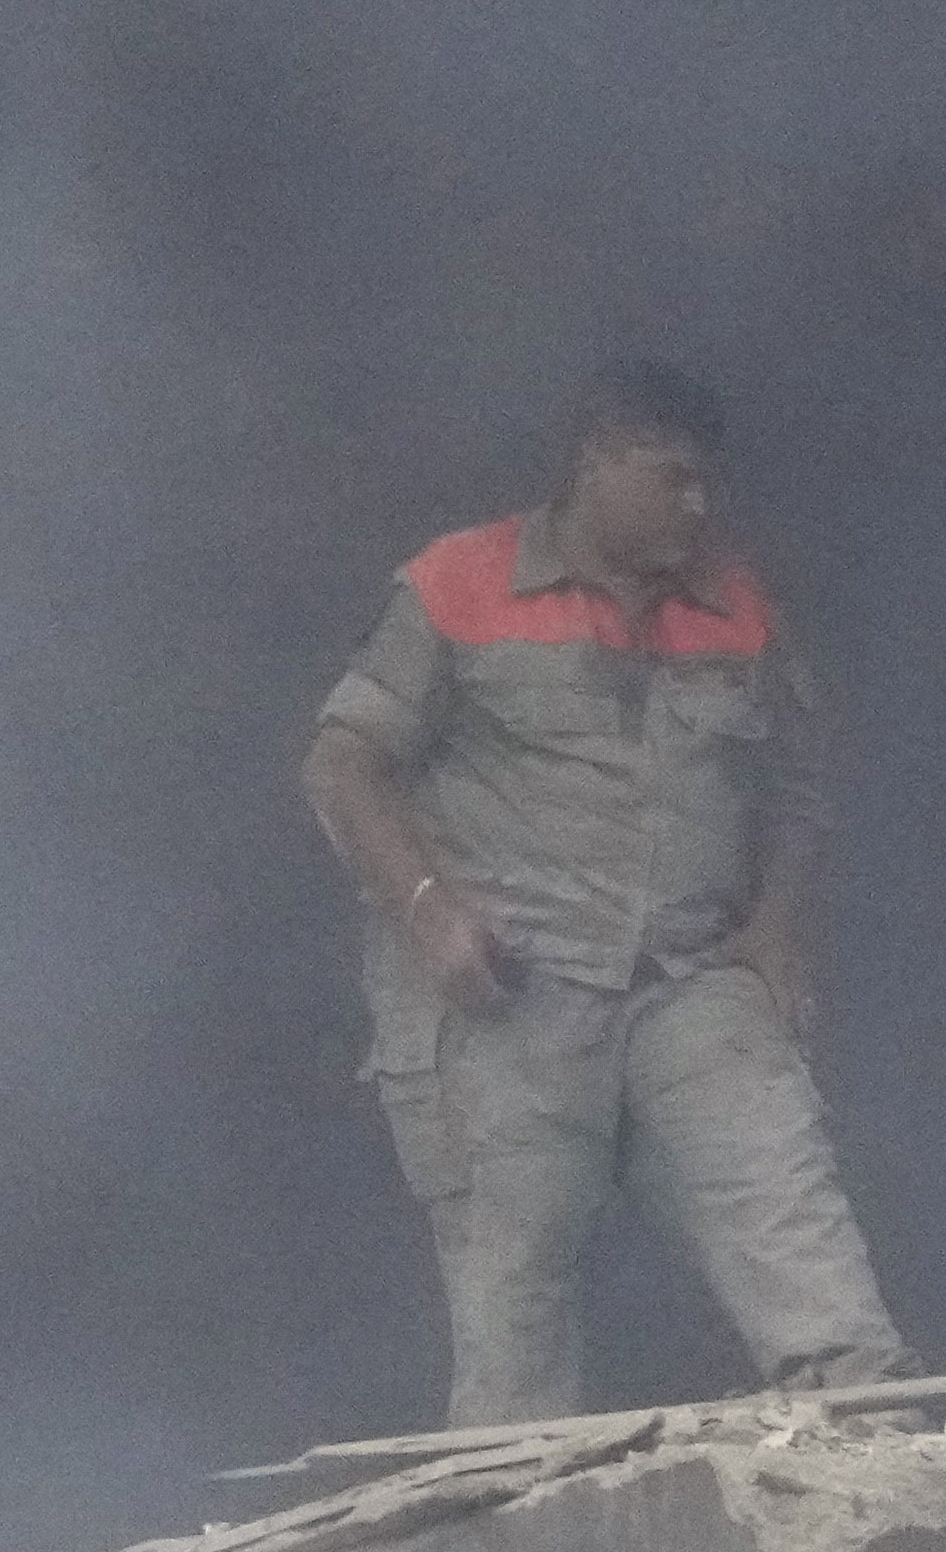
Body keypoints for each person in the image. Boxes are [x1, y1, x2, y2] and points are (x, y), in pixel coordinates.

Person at [305, 359, 909, 1432]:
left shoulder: (735, 605)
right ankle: (512, 1544)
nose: (699, 506)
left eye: (707, 482)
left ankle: (886, 1474)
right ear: (595, 461)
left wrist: (775, 932)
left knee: (800, 1237)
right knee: (515, 1322)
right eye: (672, 478)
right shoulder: (459, 583)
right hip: (508, 995)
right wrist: (433, 912)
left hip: (688, 982)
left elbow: (808, 777)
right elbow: (342, 764)